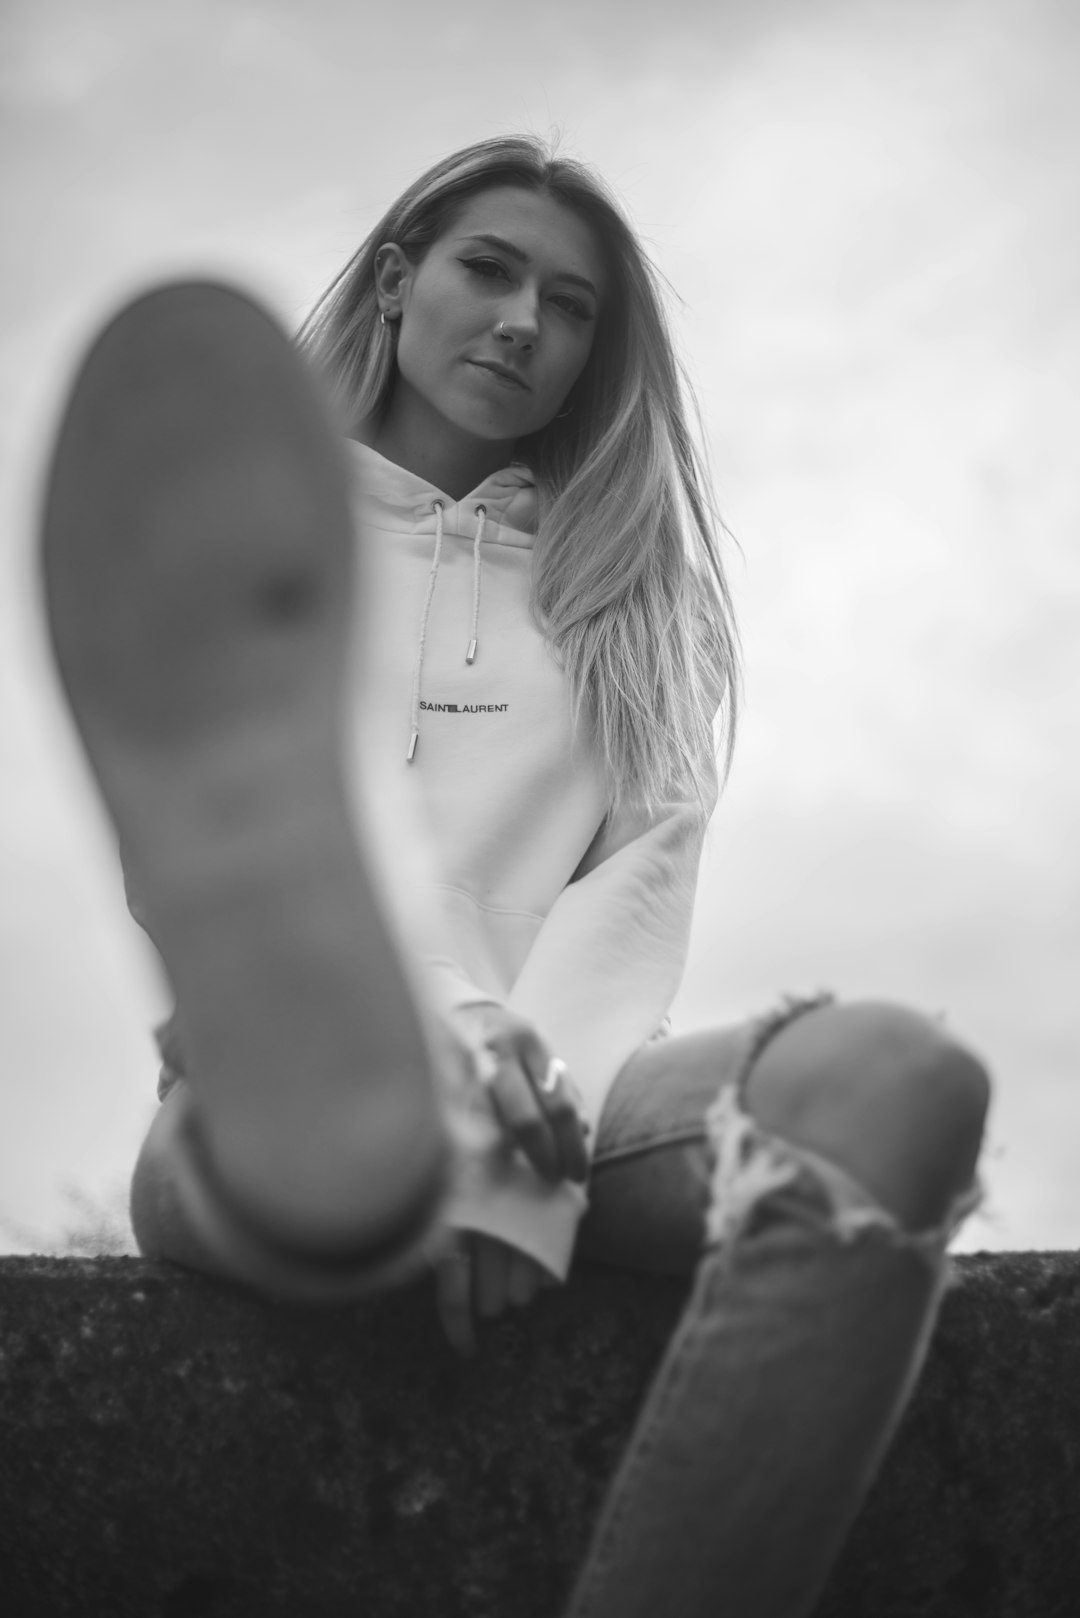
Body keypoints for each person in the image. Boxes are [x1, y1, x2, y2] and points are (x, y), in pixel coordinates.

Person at [39, 135, 992, 1618]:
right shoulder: (254, 541)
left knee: (901, 1083)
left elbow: (638, 887)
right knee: (338, 1105)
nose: (522, 324)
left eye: (570, 305)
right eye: (490, 269)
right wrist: (449, 1072)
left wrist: (517, 1147)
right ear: (403, 268)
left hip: (579, 1097)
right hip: (285, 1098)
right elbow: (229, 854)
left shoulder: (620, 579)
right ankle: (361, 1138)